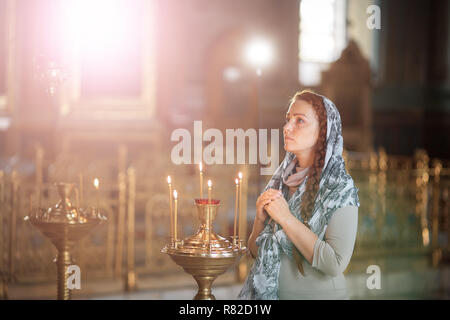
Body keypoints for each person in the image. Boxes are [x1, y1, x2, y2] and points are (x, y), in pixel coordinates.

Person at [237, 90, 360, 300]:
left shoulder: (339, 185)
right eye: (288, 120)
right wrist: (259, 219)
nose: (287, 128)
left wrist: (285, 218)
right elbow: (256, 252)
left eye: (300, 121)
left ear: (323, 130)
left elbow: (335, 263)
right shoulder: (282, 180)